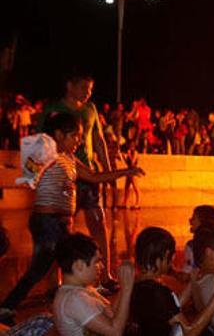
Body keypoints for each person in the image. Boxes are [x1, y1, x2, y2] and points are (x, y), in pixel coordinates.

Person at [0, 113, 141, 323]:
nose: (79, 141)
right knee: (46, 265)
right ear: (58, 134)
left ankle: (75, 302)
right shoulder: (47, 153)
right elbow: (29, 175)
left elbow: (94, 177)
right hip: (47, 221)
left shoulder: (70, 159)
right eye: (74, 136)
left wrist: (127, 171)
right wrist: (39, 156)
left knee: (66, 261)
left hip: (61, 222)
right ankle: (8, 306)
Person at [37, 73, 118, 292]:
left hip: (88, 174)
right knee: (62, 232)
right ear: (69, 85)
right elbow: (41, 143)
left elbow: (99, 141)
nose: (87, 92)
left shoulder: (90, 109)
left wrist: (109, 171)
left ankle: (105, 275)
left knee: (99, 223)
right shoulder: (53, 109)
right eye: (83, 87)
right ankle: (57, 283)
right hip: (63, 177)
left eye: (90, 88)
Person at [129, 226, 214, 336]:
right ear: (165, 255)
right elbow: (190, 332)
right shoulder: (158, 292)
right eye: (171, 257)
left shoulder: (137, 287)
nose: (172, 262)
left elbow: (171, 307)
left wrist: (192, 282)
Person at [52, 233, 135, 336]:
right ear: (79, 265)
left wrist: (123, 288)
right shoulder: (73, 299)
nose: (102, 266)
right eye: (97, 261)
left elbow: (111, 313)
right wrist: (127, 291)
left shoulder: (83, 290)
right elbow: (115, 331)